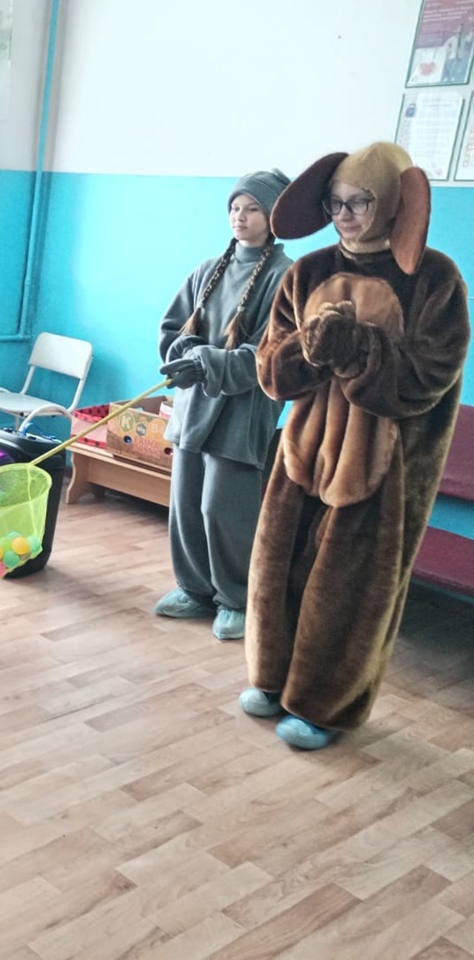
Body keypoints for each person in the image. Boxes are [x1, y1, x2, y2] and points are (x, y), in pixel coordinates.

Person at [241, 142, 469, 749]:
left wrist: (357, 346)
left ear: (392, 203)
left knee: (350, 587)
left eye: (359, 202)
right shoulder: (307, 272)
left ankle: (324, 706)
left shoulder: (435, 279)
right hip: (302, 453)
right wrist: (309, 347)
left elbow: (428, 377)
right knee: (277, 567)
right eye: (335, 203)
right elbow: (271, 368)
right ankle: (271, 678)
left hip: (386, 466)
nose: (344, 215)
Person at [155, 170, 294, 640]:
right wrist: (185, 352)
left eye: (252, 208)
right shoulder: (207, 269)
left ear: (273, 216)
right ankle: (194, 589)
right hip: (194, 408)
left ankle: (235, 598)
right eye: (235, 207)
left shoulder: (286, 277)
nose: (240, 216)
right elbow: (172, 329)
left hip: (242, 413)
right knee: (186, 504)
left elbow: (271, 353)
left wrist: (210, 362)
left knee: (224, 509)